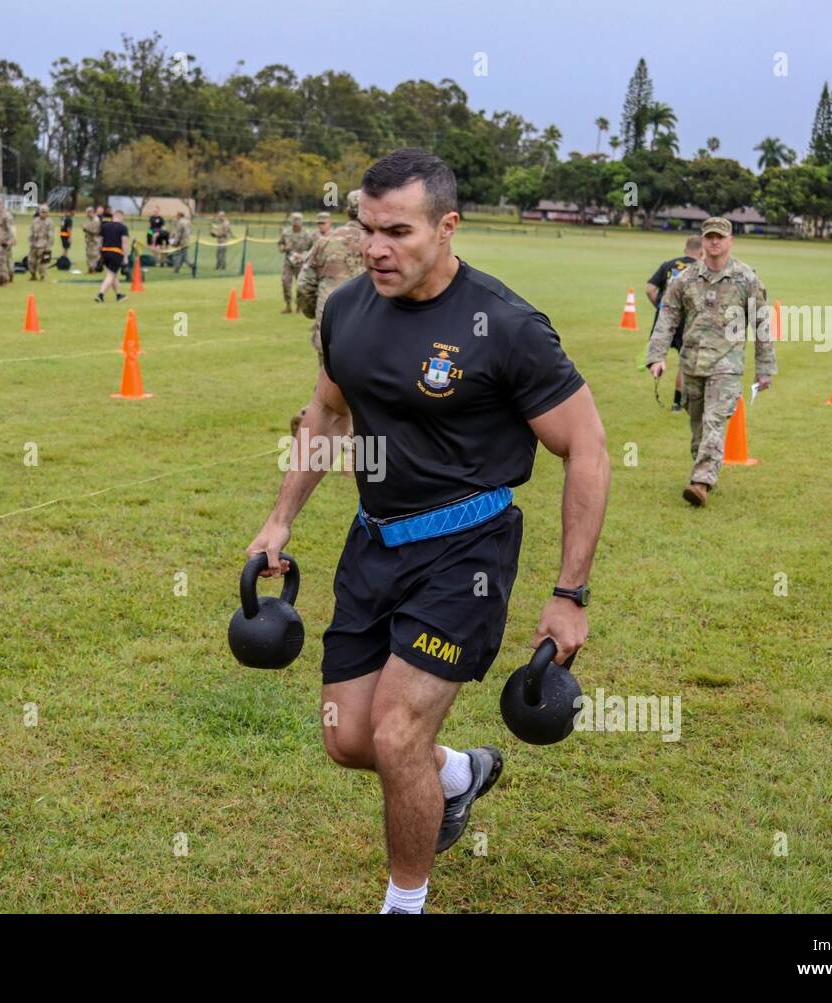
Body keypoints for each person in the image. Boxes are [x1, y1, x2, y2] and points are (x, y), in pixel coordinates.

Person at [245, 149, 609, 915]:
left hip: (466, 552)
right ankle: (457, 775)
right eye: (367, 228)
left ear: (447, 227)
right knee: (349, 738)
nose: (377, 247)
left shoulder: (505, 325)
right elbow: (329, 414)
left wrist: (568, 591)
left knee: (397, 732)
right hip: (373, 542)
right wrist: (280, 517)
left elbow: (586, 445)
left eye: (398, 231)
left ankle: (403, 903)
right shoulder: (345, 308)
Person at [647, 216, 777, 506]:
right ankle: (703, 466)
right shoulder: (686, 279)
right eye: (709, 237)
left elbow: (762, 324)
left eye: (720, 237)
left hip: (726, 366)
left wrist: (765, 368)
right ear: (702, 241)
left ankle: (701, 481)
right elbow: (667, 317)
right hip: (692, 363)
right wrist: (657, 356)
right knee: (698, 427)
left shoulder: (746, 278)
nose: (715, 242)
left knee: (714, 421)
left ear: (730, 241)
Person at [291, 189, 366, 439]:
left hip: (330, 326)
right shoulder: (383, 242)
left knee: (328, 388)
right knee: (367, 390)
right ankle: (353, 445)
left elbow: (304, 285)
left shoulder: (326, 241)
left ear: (347, 211)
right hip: (372, 327)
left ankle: (310, 421)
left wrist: (314, 312)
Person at [645, 236, 702, 412]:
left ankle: (656, 364)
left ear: (685, 250)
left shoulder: (668, 265)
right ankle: (678, 403)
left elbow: (650, 288)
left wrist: (660, 307)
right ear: (702, 252)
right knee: (684, 362)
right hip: (687, 321)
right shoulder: (700, 269)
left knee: (658, 353)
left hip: (664, 318)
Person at [277, 211, 315, 313]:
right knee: (285, 282)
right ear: (291, 221)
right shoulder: (286, 233)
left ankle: (299, 305)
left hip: (301, 264)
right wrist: (284, 248)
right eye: (294, 220)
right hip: (288, 262)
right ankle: (288, 305)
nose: (296, 222)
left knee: (300, 285)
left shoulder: (307, 235)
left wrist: (303, 256)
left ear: (301, 222)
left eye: (298, 220)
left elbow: (313, 250)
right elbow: (280, 245)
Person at [94, 208, 130, 303]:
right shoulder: (123, 227)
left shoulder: (105, 226)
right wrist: (125, 258)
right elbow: (124, 244)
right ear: (121, 217)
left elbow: (99, 241)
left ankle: (119, 295)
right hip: (116, 253)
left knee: (113, 275)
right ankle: (100, 294)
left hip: (105, 252)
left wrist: (100, 255)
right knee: (110, 275)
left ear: (114, 216)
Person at [28, 206, 53, 280]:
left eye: (44, 212)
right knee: (31, 261)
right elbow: (31, 233)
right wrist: (30, 242)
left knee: (42, 263)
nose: (43, 213)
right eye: (41, 211)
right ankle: (33, 275)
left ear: (47, 213)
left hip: (43, 245)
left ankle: (42, 276)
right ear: (39, 212)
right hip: (34, 244)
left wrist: (48, 246)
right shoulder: (35, 221)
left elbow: (51, 236)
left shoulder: (49, 222)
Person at [83, 206, 101, 273]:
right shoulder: (91, 220)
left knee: (93, 255)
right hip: (90, 241)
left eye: (87, 213)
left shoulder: (96, 220)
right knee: (89, 255)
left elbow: (94, 231)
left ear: (91, 212)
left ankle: (93, 269)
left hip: (94, 241)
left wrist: (85, 228)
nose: (86, 215)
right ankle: (90, 269)